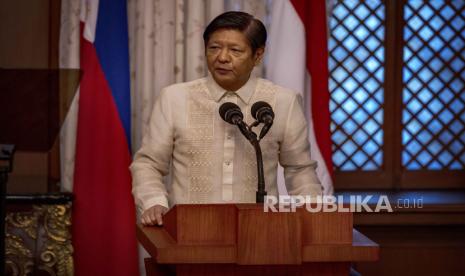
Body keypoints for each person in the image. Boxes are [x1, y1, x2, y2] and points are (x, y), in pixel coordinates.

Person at [130, 11, 322, 226]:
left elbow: (299, 169)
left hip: (260, 233)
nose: (222, 57)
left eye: (235, 50)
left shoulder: (283, 102)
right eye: (214, 48)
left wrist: (313, 215)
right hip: (189, 232)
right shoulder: (174, 98)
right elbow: (149, 163)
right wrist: (153, 201)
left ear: (258, 55)